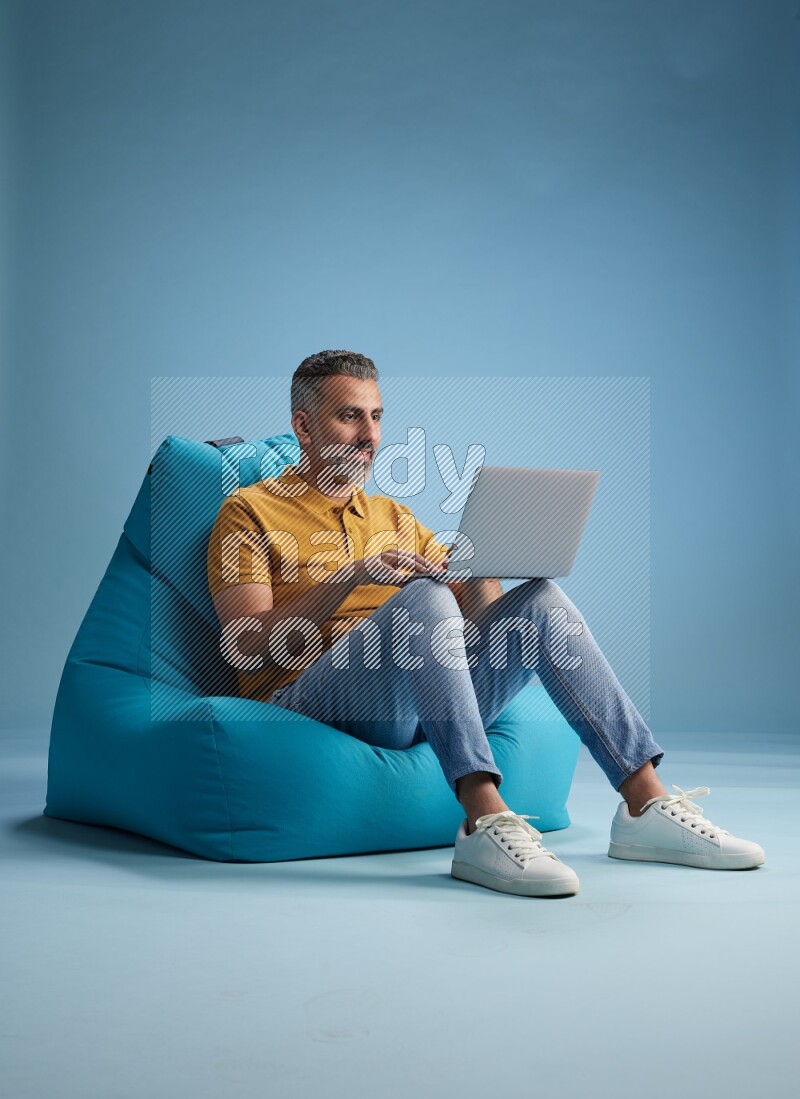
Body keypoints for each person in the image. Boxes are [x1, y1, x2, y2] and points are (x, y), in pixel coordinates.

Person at [207, 350, 765, 898]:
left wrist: (479, 566)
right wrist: (353, 576)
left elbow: (471, 626)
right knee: (424, 597)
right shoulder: (249, 510)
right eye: (349, 416)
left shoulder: (394, 517)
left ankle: (645, 804)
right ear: (304, 426)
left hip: (414, 697)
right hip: (310, 699)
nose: (369, 435)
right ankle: (482, 822)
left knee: (540, 601)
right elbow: (246, 646)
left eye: (377, 417)